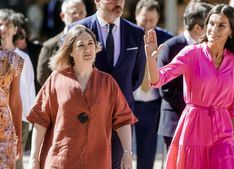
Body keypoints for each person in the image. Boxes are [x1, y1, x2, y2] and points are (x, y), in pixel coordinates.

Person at [144, 4, 234, 169]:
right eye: (211, 23)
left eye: (221, 25)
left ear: (231, 31)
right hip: (195, 126)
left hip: (223, 130)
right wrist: (151, 60)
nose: (214, 29)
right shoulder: (191, 53)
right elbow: (159, 80)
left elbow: (233, 108)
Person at [27, 25, 136, 169]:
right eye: (81, 45)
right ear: (70, 51)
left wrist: (127, 152)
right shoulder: (56, 79)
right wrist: (34, 158)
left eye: (91, 43)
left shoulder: (107, 82)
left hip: (97, 161)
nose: (88, 49)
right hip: (62, 160)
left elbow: (123, 120)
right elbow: (40, 121)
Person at [73, 0, 146, 168]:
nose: (118, 3)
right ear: (97, 1)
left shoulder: (136, 33)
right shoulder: (78, 30)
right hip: (87, 116)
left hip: (121, 118)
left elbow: (136, 77)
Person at [157, 1, 213, 151]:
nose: (214, 30)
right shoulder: (170, 47)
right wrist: (194, 109)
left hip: (205, 124)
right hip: (176, 121)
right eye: (211, 25)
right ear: (198, 28)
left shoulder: (210, 49)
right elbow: (166, 88)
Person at [133, 1, 172, 168]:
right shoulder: (128, 34)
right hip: (128, 99)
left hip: (151, 103)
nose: (148, 24)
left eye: (152, 20)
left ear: (158, 19)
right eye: (144, 20)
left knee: (147, 151)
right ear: (136, 16)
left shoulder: (167, 40)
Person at [0, 9, 36, 168]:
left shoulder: (14, 59)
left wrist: (18, 139)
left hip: (5, 128)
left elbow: (15, 100)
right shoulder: (14, 59)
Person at [37, 0, 87, 86]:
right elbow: (42, 77)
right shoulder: (50, 45)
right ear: (63, 16)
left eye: (81, 12)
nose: (78, 16)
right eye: (74, 13)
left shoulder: (93, 40)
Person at [0, 29, 23, 168]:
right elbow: (15, 101)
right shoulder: (12, 59)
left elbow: (15, 101)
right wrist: (18, 138)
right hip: (4, 128)